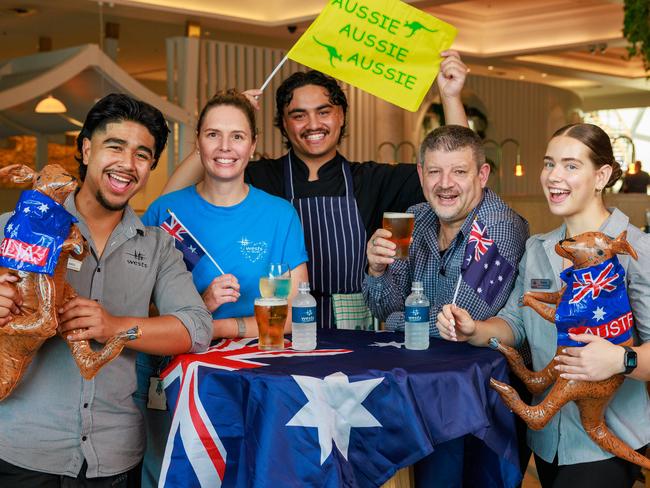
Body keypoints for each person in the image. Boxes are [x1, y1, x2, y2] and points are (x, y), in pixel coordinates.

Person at [162, 50, 470, 328]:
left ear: (341, 116)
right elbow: (170, 202)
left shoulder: (372, 180)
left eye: (324, 112)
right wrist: (225, 123)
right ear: (282, 123)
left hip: (355, 331)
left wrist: (451, 97)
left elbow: (458, 174)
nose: (313, 124)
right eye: (298, 115)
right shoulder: (259, 178)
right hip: (279, 330)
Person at [0, 94, 213, 486]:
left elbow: (196, 328)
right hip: (22, 454)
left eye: (142, 154)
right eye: (115, 146)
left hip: (114, 460)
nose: (127, 164)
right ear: (85, 149)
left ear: (150, 166)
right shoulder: (16, 226)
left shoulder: (157, 246)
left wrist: (115, 326)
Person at [437, 123, 650, 488]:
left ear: (601, 176)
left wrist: (620, 359)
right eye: (549, 164)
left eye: (570, 165)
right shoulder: (537, 248)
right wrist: (475, 329)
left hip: (608, 442)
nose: (554, 176)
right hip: (547, 439)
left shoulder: (639, 252)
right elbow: (515, 322)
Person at [136, 89, 309, 487]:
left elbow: (293, 315)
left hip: (256, 378)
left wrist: (210, 326)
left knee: (248, 474)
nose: (225, 146)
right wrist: (201, 304)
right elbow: (135, 313)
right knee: (172, 474)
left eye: (237, 136)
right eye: (213, 134)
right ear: (197, 142)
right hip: (172, 379)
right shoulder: (165, 212)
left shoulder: (279, 215)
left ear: (253, 145)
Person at [363, 124, 529, 487]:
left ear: (482, 175)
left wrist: (394, 322)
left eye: (459, 171)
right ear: (421, 174)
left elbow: (455, 328)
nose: (445, 183)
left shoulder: (499, 228)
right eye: (434, 171)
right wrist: (376, 270)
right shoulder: (414, 217)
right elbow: (383, 306)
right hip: (423, 388)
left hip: (484, 402)